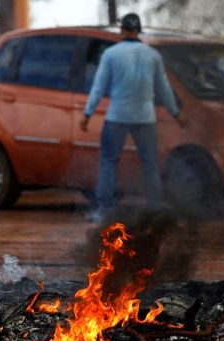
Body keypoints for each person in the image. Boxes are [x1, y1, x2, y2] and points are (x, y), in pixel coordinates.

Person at [81, 13, 184, 223]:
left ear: (122, 30)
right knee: (149, 163)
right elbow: (164, 88)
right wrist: (175, 113)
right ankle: (154, 208)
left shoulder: (111, 54)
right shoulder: (152, 55)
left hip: (117, 115)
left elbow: (99, 87)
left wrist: (87, 113)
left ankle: (105, 211)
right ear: (138, 31)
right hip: (145, 117)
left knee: (109, 162)